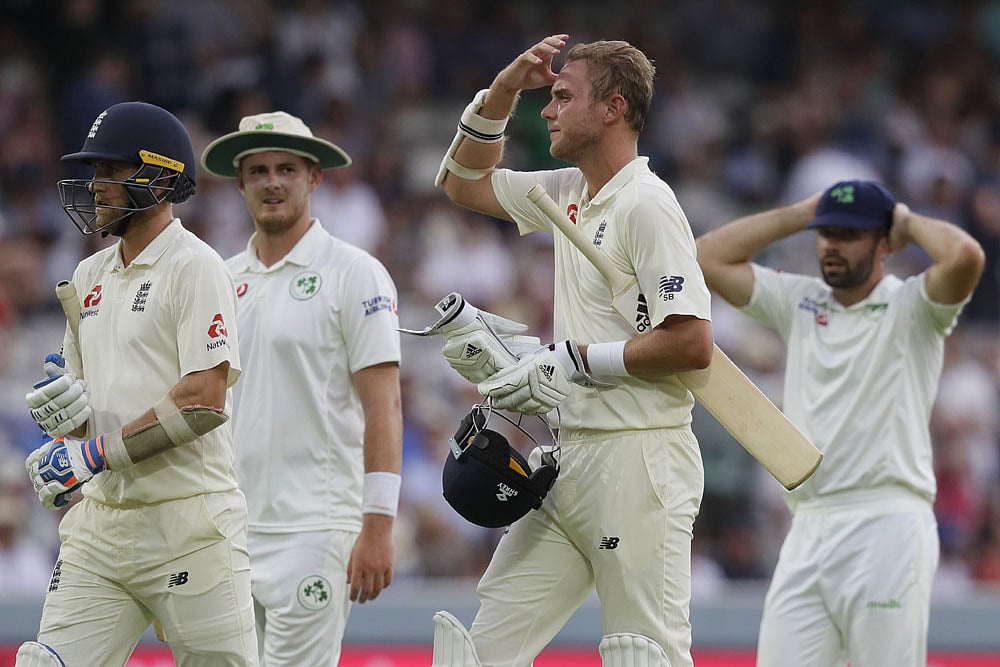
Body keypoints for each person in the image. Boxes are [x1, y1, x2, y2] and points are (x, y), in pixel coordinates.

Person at [431, 34, 714, 666]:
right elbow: (460, 183)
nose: (547, 110)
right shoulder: (568, 191)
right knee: (479, 655)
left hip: (642, 459)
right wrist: (503, 89)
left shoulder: (647, 205)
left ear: (612, 109)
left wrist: (577, 359)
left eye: (562, 97)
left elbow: (691, 341)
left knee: (646, 655)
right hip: (567, 462)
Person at [695, 179, 985, 666]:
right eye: (826, 232)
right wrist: (800, 213)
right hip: (808, 525)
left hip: (887, 522)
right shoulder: (801, 300)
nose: (832, 243)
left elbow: (966, 257)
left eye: (850, 234)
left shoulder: (914, 307)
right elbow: (706, 258)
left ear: (884, 244)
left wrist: (908, 222)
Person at [18, 101, 257, 666]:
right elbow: (89, 415)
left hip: (191, 525)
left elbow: (203, 401)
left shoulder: (195, 267)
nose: (96, 186)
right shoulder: (88, 276)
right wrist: (66, 428)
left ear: (159, 177)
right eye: (94, 173)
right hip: (101, 528)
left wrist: (94, 453)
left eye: (110, 172)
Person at [200, 111, 403, 666]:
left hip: (316, 528)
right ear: (239, 183)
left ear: (314, 178)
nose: (272, 182)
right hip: (230, 527)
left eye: (286, 168)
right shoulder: (218, 279)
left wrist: (379, 524)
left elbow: (384, 406)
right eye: (258, 170)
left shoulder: (353, 272)